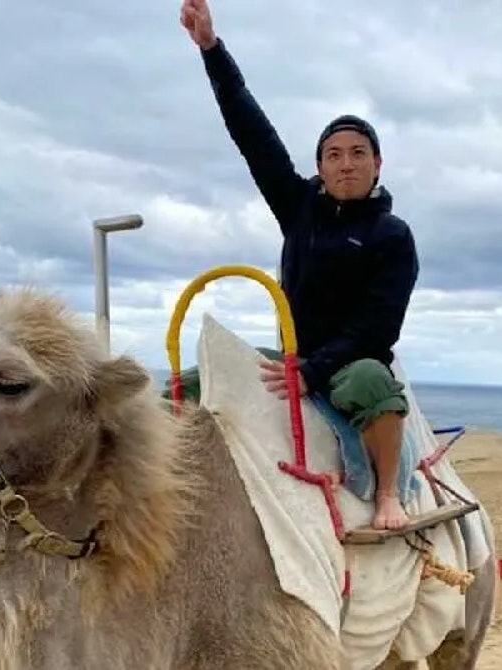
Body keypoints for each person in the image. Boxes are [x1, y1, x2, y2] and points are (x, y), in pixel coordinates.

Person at [178, 0, 420, 531]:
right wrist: (211, 50)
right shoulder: (299, 208)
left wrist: (313, 373)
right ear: (320, 167)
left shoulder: (393, 236)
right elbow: (253, 134)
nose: (346, 163)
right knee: (189, 383)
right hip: (294, 357)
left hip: (351, 366)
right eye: (334, 154)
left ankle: (387, 494)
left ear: (377, 163)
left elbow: (377, 327)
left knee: (370, 380)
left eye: (358, 153)